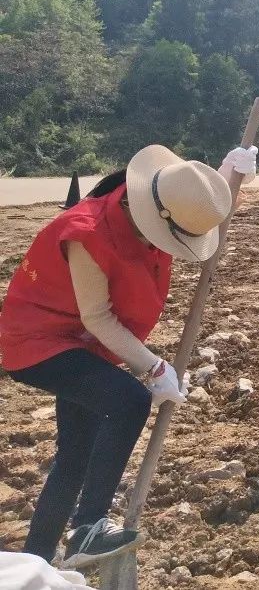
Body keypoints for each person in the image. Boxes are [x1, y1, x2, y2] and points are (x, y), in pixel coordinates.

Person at [0, 146, 233, 569]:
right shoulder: (86, 232)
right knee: (127, 400)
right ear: (149, 213)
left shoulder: (165, 200)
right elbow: (98, 317)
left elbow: (191, 197)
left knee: (74, 457)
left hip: (86, 343)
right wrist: (153, 366)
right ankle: (89, 526)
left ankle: (37, 563)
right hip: (40, 342)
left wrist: (230, 174)